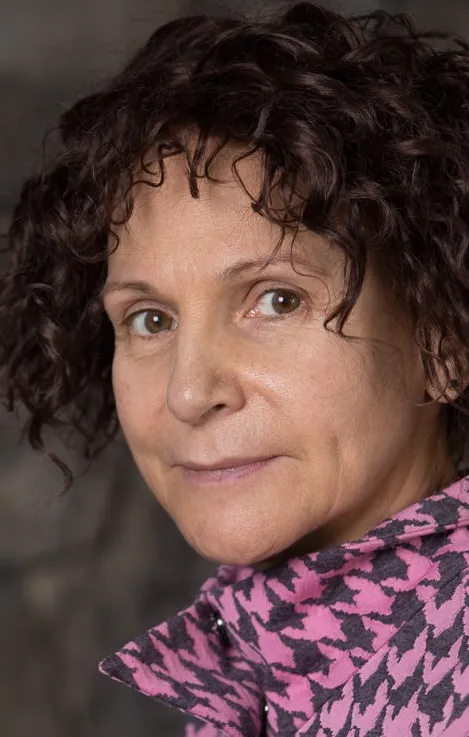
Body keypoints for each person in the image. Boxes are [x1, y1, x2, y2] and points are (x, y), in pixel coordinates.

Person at [2, 1, 469, 734]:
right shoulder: (287, 668)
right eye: (149, 319)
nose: (189, 392)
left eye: (276, 300)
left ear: (444, 342)